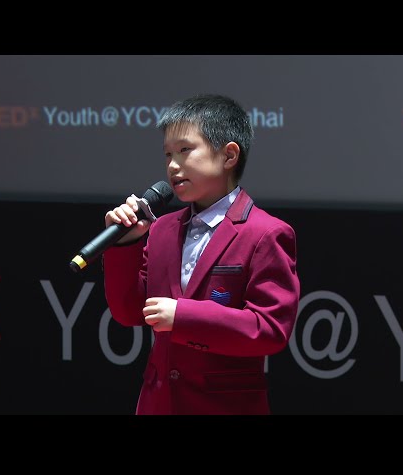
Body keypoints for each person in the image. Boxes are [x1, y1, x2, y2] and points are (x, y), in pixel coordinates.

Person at [102, 94, 300, 415]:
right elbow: (129, 312)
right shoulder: (162, 229)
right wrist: (124, 245)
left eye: (185, 150)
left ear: (229, 155)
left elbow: (269, 329)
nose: (172, 165)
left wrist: (183, 317)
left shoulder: (266, 233)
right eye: (168, 154)